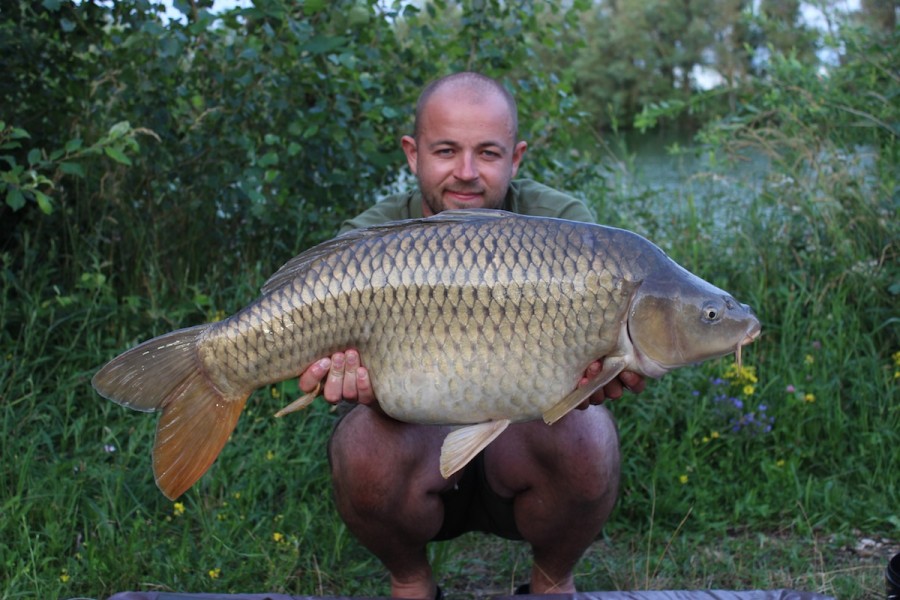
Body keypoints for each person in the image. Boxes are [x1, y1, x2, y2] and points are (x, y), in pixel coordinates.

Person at [297, 72, 645, 599]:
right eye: (445, 151)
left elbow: (592, 371)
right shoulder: (367, 241)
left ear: (516, 157)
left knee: (590, 437)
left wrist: (598, 374)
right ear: (412, 154)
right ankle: (410, 580)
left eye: (487, 153)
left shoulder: (566, 228)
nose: (466, 173)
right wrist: (360, 383)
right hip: (414, 445)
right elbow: (345, 374)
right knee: (362, 447)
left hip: (525, 444)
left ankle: (553, 581)